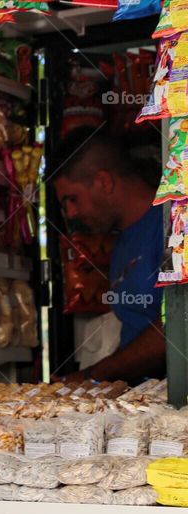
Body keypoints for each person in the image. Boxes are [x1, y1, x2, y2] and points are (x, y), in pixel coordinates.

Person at [50, 127, 165, 384]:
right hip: (137, 404)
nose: (70, 214)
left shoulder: (171, 224)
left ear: (104, 182)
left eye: (73, 199)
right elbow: (136, 332)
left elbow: (174, 331)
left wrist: (92, 376)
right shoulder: (122, 242)